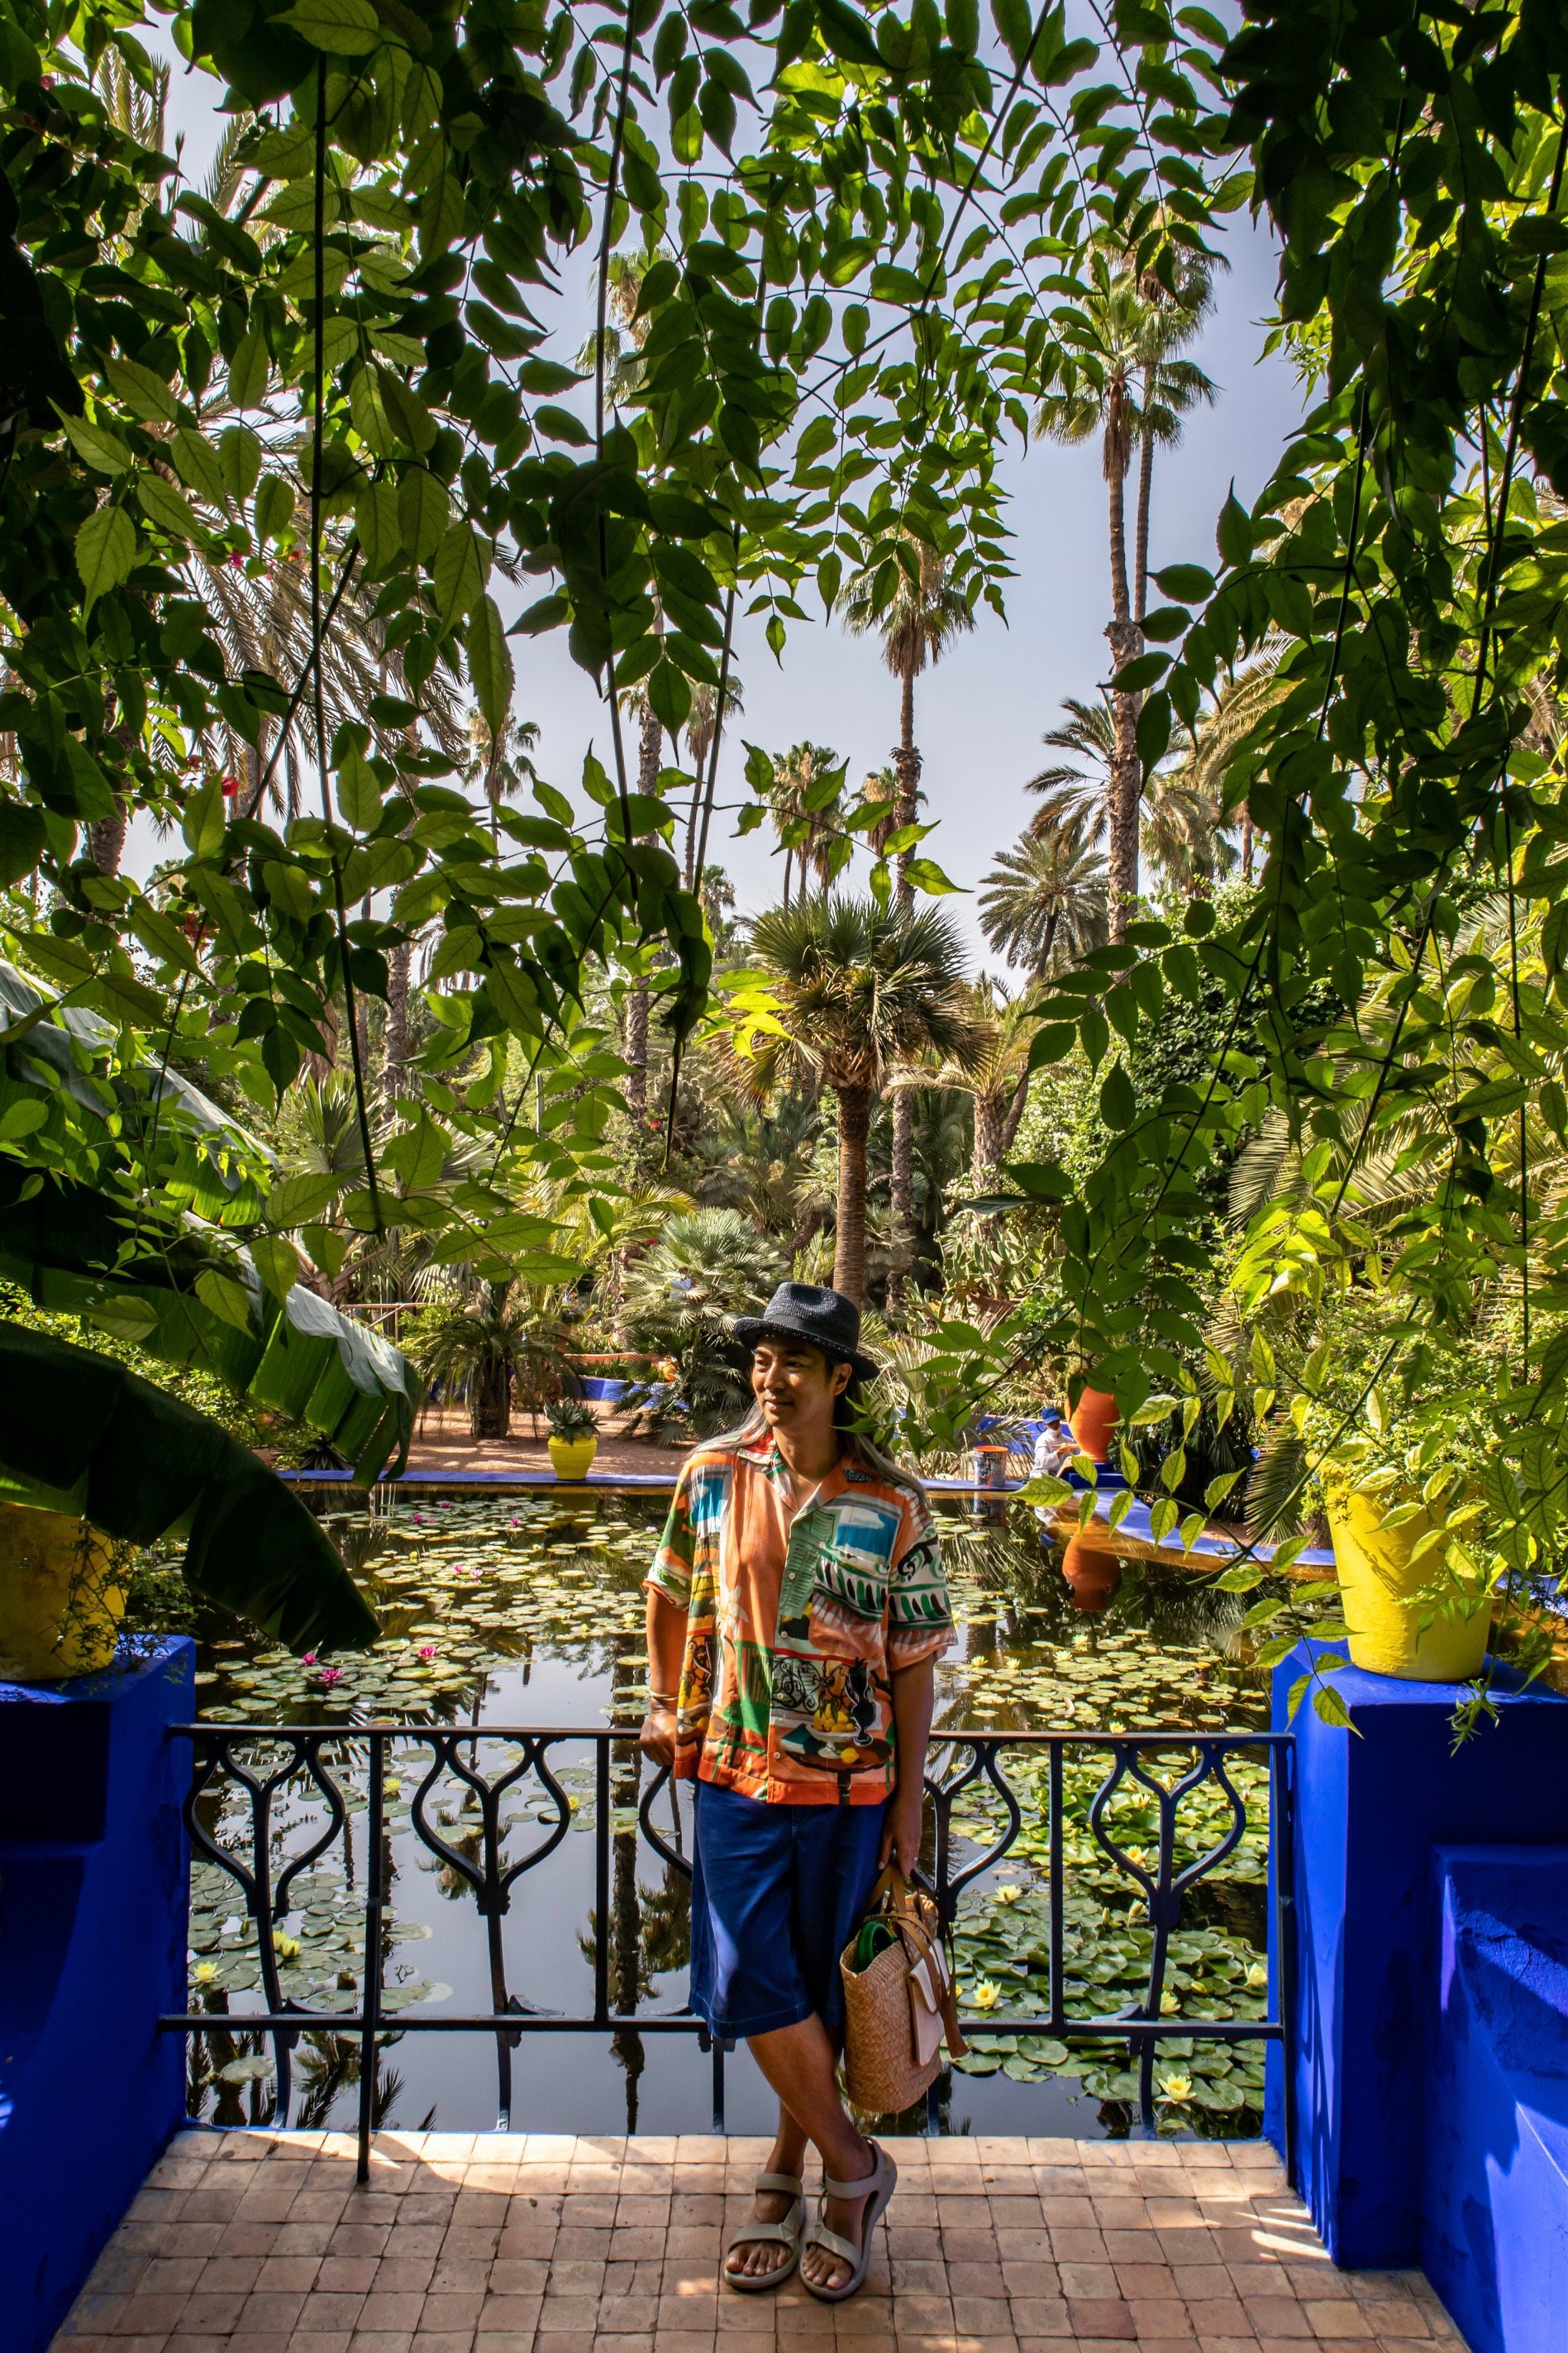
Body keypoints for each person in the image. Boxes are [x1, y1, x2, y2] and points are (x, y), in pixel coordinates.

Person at [639, 1281, 952, 2303]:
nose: (771, 1381)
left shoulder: (893, 1502)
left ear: (839, 1378)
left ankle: (786, 2170)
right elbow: (669, 1587)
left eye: (795, 1365)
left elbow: (913, 1657)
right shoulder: (713, 1472)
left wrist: (908, 1797)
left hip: (851, 1787)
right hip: (732, 1767)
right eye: (762, 1362)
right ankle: (857, 2171)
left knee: (817, 1982)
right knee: (746, 1980)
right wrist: (656, 1697)